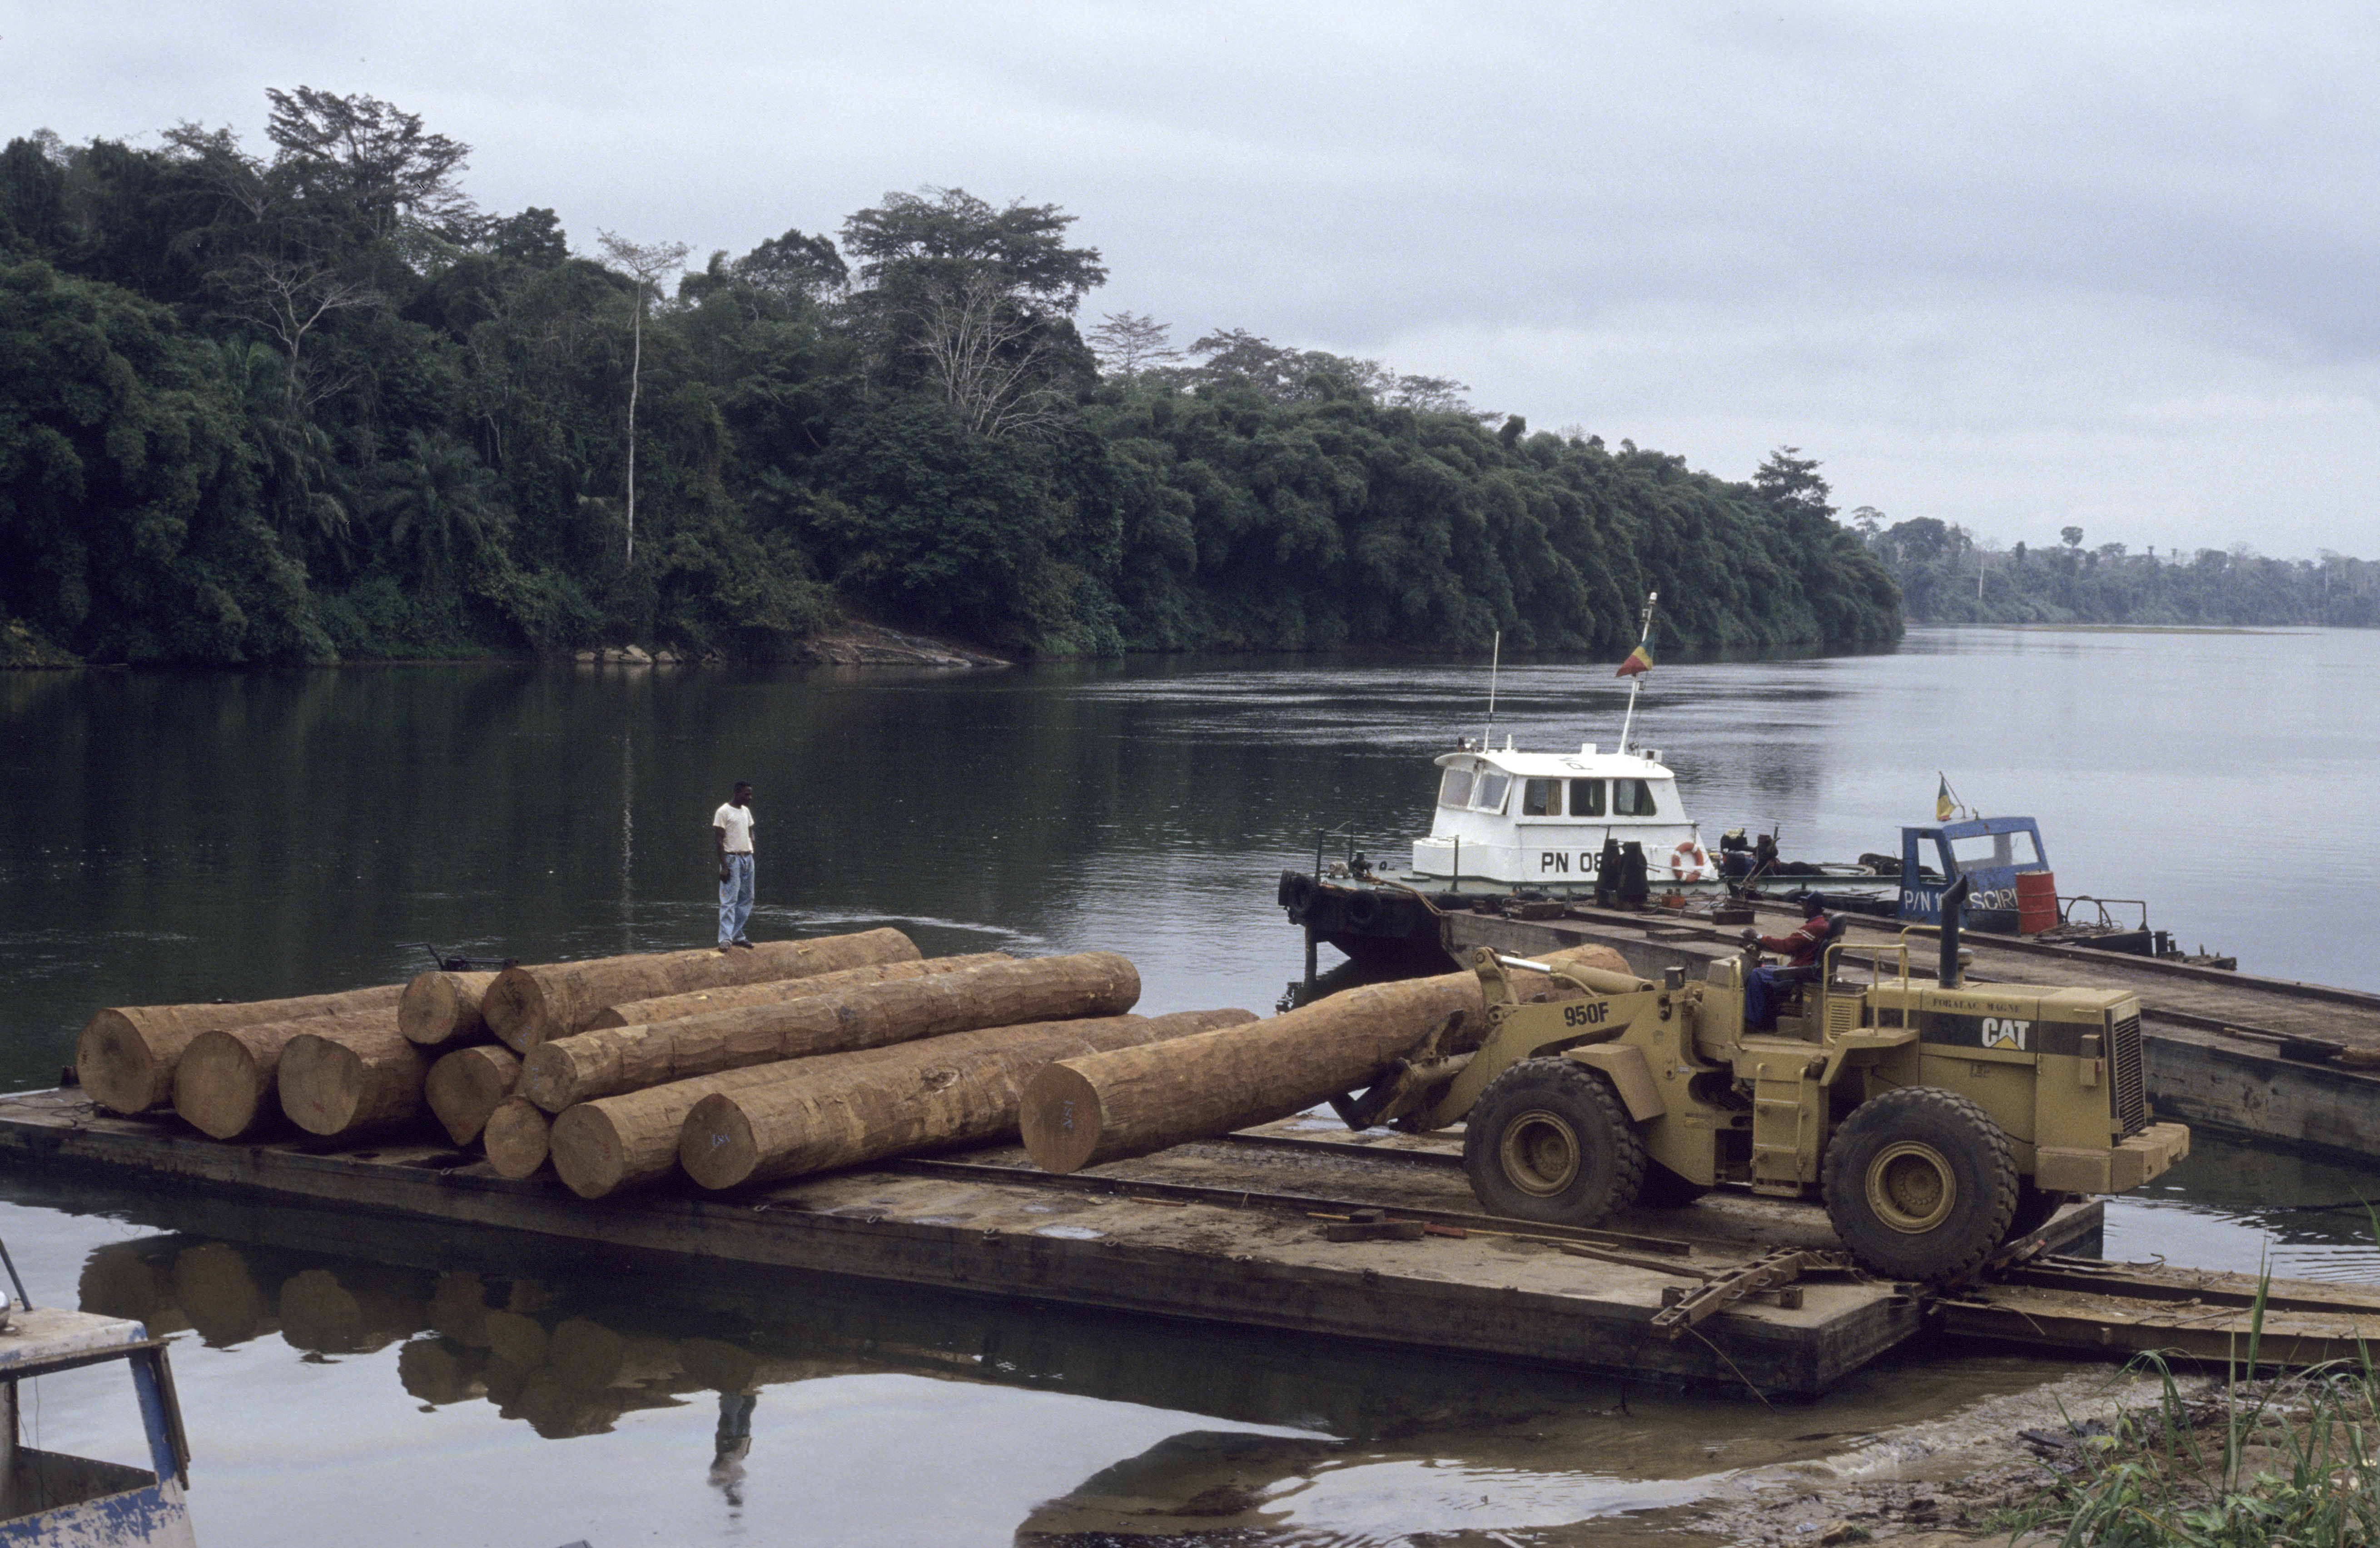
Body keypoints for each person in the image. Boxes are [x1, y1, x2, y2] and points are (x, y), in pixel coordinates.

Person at [1739, 893, 1831, 1030]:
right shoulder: (1822, 925)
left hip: (1801, 971)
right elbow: (1793, 946)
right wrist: (1763, 941)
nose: (1802, 908)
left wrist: (1758, 937)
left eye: (1805, 905)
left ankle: (1751, 1022)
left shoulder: (1813, 928)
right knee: (1767, 969)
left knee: (1757, 974)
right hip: (1805, 968)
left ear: (1812, 907)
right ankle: (1766, 1019)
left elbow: (1786, 946)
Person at [713, 781, 756, 951]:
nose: (749, 798)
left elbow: (750, 828)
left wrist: (752, 839)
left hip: (747, 858)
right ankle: (725, 939)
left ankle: (737, 935)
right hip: (732, 859)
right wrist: (724, 866)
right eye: (746, 794)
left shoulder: (746, 811)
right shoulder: (723, 812)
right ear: (737, 793)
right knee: (729, 900)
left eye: (750, 794)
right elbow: (719, 840)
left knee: (747, 898)